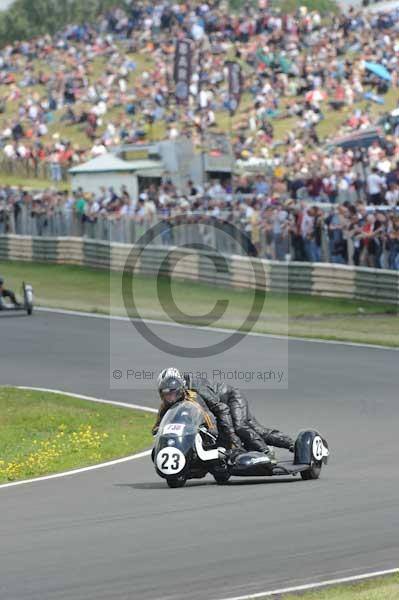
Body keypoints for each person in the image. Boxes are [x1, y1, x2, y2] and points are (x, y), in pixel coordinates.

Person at [152, 368, 243, 450]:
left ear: (179, 390)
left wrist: (215, 430)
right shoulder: (164, 405)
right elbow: (157, 427)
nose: (169, 398)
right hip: (183, 439)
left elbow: (207, 414)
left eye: (172, 393)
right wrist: (159, 431)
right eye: (166, 394)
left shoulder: (192, 396)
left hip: (207, 434)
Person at [215, 383, 295, 455]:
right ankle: (289, 443)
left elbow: (221, 408)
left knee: (240, 427)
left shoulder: (202, 389)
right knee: (257, 430)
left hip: (232, 398)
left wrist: (230, 433)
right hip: (224, 405)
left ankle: (266, 452)